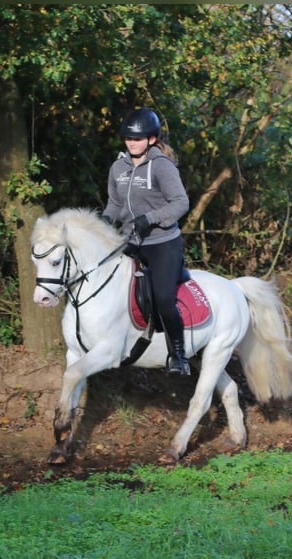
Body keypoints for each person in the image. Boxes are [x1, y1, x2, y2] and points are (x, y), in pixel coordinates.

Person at [102, 107, 191, 376]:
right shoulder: (118, 167)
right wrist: (105, 220)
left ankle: (178, 355)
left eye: (138, 139)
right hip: (132, 243)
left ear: (151, 140)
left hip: (163, 243)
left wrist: (150, 218)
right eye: (128, 138)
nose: (131, 142)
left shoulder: (161, 166)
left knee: (163, 299)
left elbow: (181, 203)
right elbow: (115, 203)